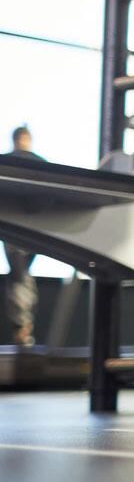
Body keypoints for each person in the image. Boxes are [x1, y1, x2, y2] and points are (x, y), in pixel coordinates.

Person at [3, 125, 45, 347]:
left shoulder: (40, 162)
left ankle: (23, 326)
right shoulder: (6, 161)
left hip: (32, 227)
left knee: (22, 277)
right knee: (19, 277)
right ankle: (21, 327)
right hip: (12, 228)